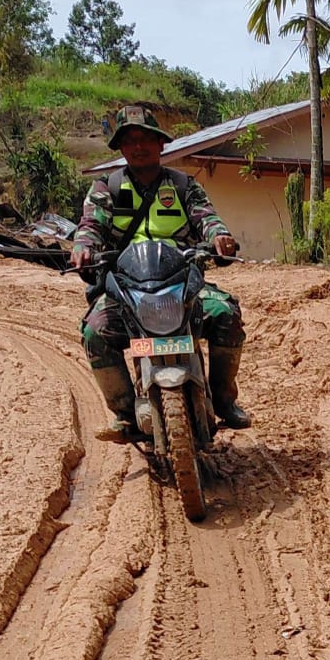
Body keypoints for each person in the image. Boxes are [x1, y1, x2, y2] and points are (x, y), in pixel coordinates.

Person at [70, 104, 251, 443]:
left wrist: (219, 238)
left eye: (147, 138)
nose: (139, 146)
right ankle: (125, 414)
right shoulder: (107, 188)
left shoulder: (184, 187)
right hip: (126, 289)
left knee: (226, 313)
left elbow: (207, 219)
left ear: (161, 144)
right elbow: (91, 225)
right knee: (95, 332)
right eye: (131, 140)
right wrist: (83, 246)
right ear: (121, 148)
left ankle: (224, 401)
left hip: (182, 285)